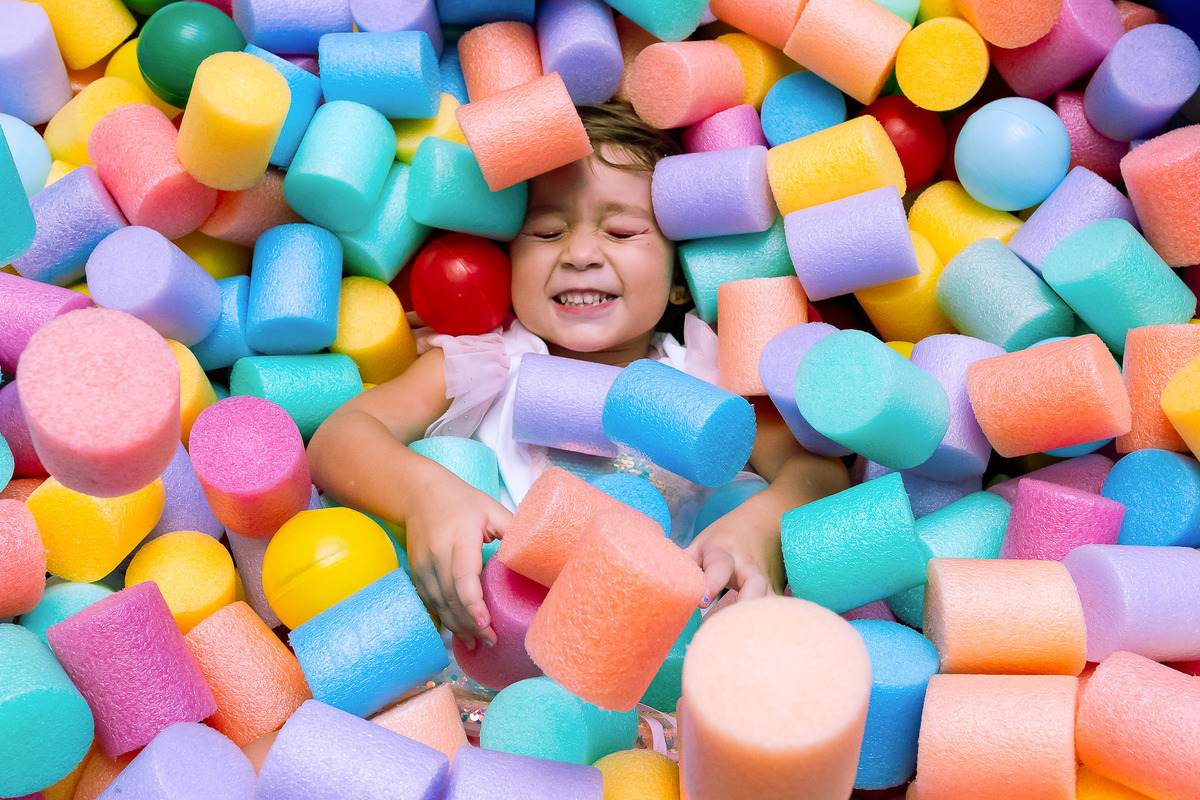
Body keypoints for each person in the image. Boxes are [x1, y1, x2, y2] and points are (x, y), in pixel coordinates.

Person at [307, 102, 848, 651]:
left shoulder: (709, 375)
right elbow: (337, 441)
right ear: (506, 261)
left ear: (680, 278)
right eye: (546, 232)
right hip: (493, 657)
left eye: (621, 230)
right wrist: (426, 495)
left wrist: (758, 529)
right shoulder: (486, 364)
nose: (581, 253)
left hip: (668, 665)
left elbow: (819, 475)